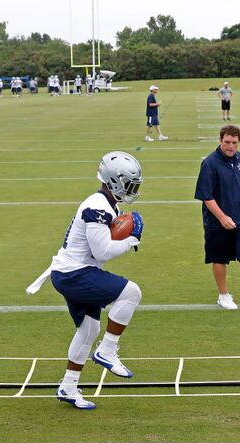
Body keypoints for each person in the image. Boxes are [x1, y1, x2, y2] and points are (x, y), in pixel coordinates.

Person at [26, 151, 145, 410]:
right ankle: (107, 350)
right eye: (130, 183)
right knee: (131, 292)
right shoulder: (98, 206)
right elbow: (103, 251)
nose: (133, 189)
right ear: (115, 181)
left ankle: (68, 386)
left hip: (73, 271)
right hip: (74, 273)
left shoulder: (107, 203)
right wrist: (131, 239)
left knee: (88, 329)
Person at [195, 125, 240, 311]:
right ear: (220, 141)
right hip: (217, 222)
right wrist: (221, 217)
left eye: (234, 143)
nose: (230, 146)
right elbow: (206, 196)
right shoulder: (210, 163)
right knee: (219, 259)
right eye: (227, 142)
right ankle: (223, 296)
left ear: (239, 142)